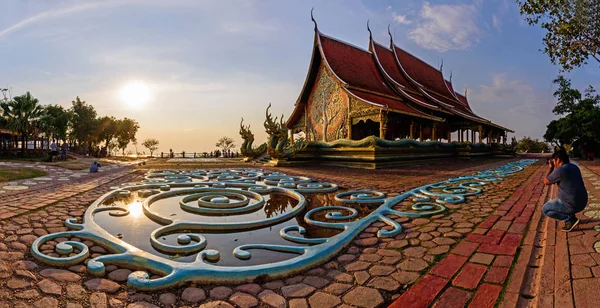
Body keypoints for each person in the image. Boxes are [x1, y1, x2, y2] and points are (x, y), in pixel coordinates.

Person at [543, 148, 588, 232]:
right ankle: (571, 215)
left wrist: (550, 168)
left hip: (571, 204)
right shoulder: (574, 166)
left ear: (558, 160)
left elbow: (546, 182)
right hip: (583, 202)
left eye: (554, 161)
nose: (554, 163)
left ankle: (570, 220)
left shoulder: (560, 170)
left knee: (546, 209)